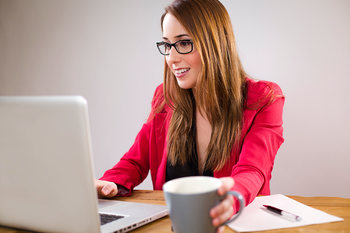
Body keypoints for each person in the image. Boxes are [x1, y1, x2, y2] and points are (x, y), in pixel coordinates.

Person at [96, 0, 284, 232]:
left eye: (184, 43)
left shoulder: (264, 97)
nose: (172, 58)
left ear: (216, 43)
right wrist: (107, 184)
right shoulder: (165, 98)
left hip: (233, 226)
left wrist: (230, 196)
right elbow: (134, 161)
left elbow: (253, 170)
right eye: (167, 44)